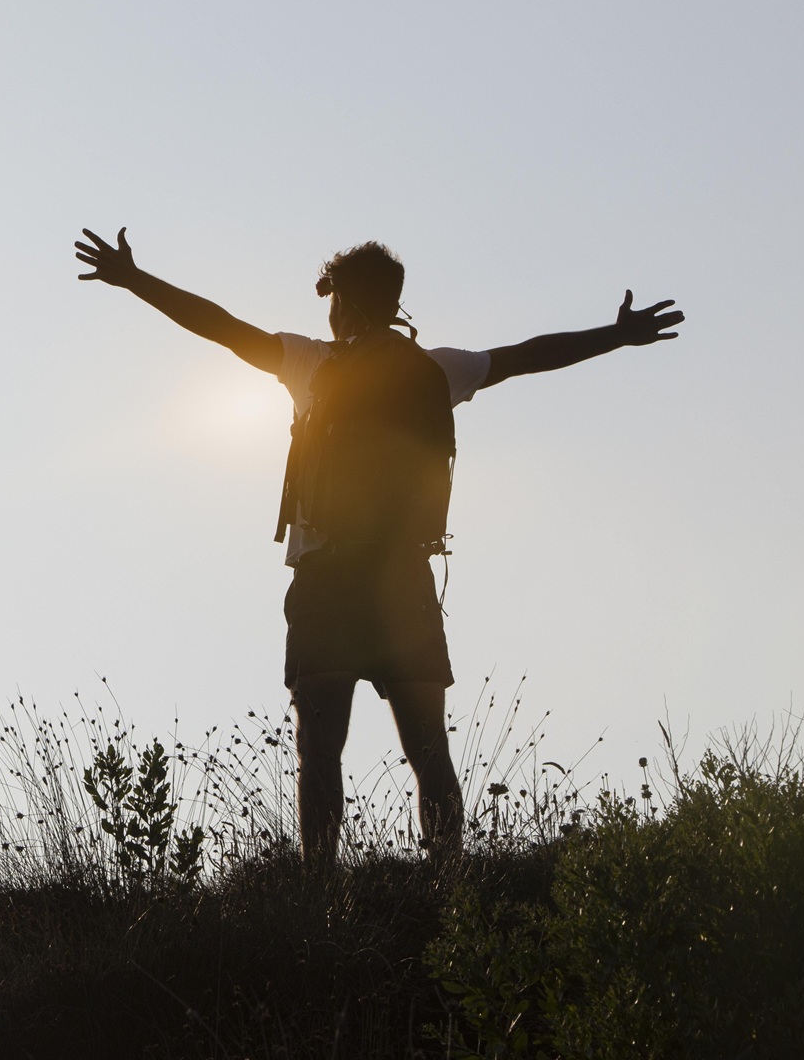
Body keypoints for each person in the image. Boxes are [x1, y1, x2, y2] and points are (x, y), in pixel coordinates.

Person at [70, 229, 683, 866]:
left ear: (345, 304)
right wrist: (617, 335)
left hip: (327, 580)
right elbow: (527, 356)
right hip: (403, 578)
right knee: (428, 752)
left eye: (332, 300)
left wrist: (136, 280)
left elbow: (221, 327)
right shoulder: (436, 370)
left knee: (320, 751)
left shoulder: (311, 363)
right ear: (393, 305)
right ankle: (447, 890)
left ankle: (319, 894)